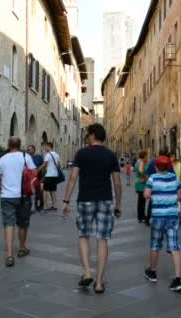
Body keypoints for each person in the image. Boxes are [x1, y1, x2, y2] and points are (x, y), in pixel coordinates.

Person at [62, 123, 122, 294]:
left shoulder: (81, 153)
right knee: (102, 239)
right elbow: (117, 183)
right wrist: (118, 204)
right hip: (104, 200)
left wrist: (66, 201)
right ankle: (99, 283)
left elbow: (73, 178)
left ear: (93, 135)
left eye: (88, 135)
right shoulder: (111, 155)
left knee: (83, 235)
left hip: (85, 200)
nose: (87, 138)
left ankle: (87, 272)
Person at [0, 137, 37, 267]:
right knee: (23, 223)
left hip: (7, 196)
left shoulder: (3, 158)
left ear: (8, 145)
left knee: (9, 224)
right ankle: (22, 248)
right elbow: (34, 174)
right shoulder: (26, 157)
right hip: (23, 195)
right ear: (20, 145)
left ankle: (9, 255)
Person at [143, 156, 181, 292]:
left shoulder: (153, 178)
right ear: (168, 167)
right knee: (174, 246)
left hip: (158, 216)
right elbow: (180, 196)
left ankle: (152, 272)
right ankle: (178, 278)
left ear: (156, 167)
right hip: (172, 216)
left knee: (155, 245)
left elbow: (146, 194)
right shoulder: (174, 178)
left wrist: (156, 194)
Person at [41, 142, 61, 211]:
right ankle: (54, 205)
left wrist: (38, 170)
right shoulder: (57, 155)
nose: (45, 148)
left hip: (49, 175)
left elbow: (44, 164)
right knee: (52, 190)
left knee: (45, 190)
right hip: (55, 175)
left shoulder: (47, 155)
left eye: (46, 146)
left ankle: (45, 206)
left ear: (49, 146)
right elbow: (58, 166)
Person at [27, 145, 44, 212]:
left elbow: (43, 167)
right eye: (28, 149)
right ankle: (31, 206)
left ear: (33, 150)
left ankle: (39, 205)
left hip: (38, 176)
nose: (28, 151)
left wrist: (42, 177)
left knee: (38, 192)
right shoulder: (27, 157)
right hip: (29, 177)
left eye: (29, 149)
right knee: (30, 191)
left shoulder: (39, 157)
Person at [134, 150, 148, 223]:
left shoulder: (138, 161)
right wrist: (145, 178)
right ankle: (141, 217)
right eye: (146, 155)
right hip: (141, 183)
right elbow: (141, 171)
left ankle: (141, 216)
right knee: (142, 201)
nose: (147, 157)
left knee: (141, 200)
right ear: (144, 155)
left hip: (138, 181)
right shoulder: (141, 162)